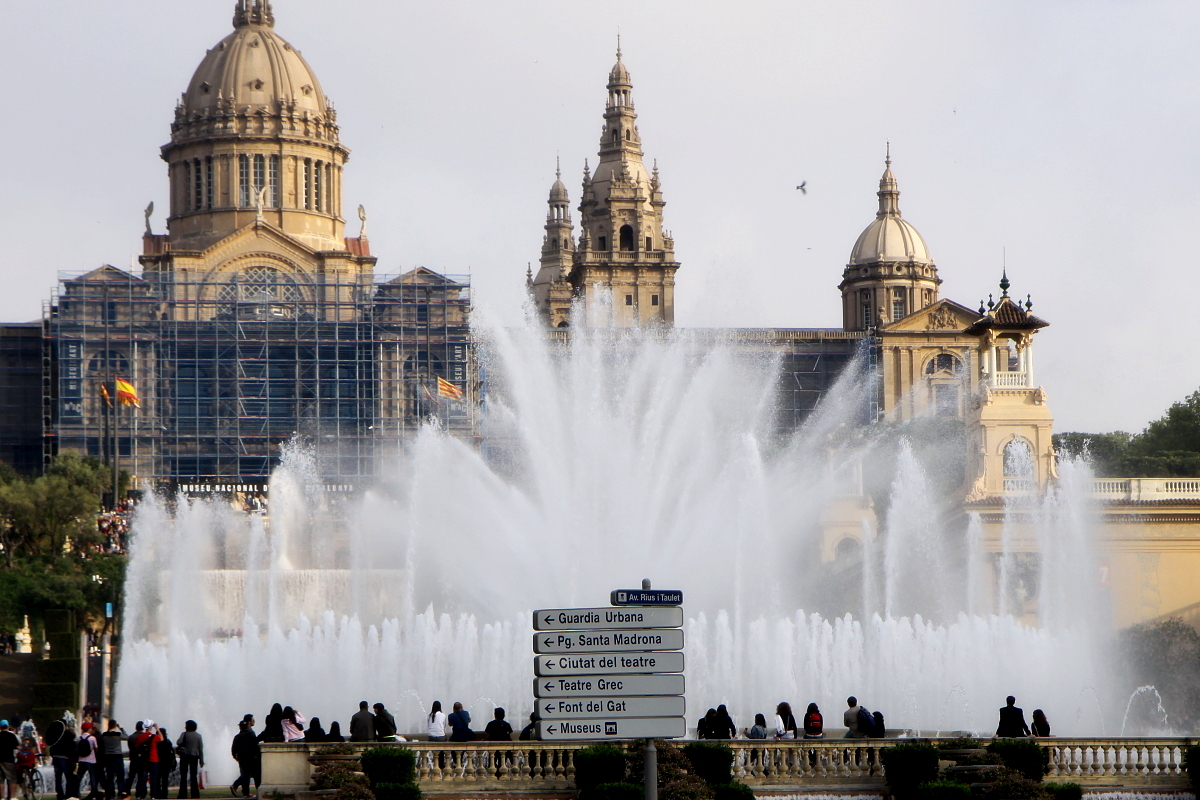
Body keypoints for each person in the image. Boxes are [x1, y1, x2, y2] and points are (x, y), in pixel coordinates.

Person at [230, 718, 260, 798]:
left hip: (241, 758)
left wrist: (235, 757)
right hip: (250, 758)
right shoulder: (251, 734)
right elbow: (255, 746)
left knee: (245, 774)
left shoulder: (237, 736)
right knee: (248, 775)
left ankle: (242, 790)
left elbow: (233, 749)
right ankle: (244, 791)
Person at [69, 721, 99, 800]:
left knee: (79, 777)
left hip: (81, 760)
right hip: (91, 761)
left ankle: (76, 793)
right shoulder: (92, 738)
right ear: (89, 729)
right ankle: (94, 793)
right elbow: (96, 749)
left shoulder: (79, 738)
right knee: (93, 777)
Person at [98, 720, 128, 800]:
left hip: (108, 757)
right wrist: (121, 728)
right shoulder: (118, 734)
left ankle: (110, 794)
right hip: (117, 756)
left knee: (110, 777)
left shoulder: (104, 735)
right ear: (115, 726)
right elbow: (127, 737)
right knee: (120, 776)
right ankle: (120, 793)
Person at [49, 721, 77, 800]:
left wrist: (53, 756)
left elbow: (51, 747)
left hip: (56, 758)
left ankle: (60, 794)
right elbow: (72, 750)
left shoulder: (57, 736)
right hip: (65, 759)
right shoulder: (69, 738)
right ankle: (68, 794)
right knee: (69, 777)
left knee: (58, 778)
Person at [175, 721, 204, 799]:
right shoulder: (198, 736)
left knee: (183, 776)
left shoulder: (184, 734)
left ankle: (183, 794)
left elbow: (178, 742)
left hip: (185, 756)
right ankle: (195, 794)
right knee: (193, 776)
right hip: (194, 757)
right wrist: (201, 761)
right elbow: (200, 749)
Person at [127, 722, 152, 800]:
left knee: (131, 777)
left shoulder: (131, 737)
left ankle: (126, 792)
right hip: (142, 760)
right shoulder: (145, 737)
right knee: (142, 778)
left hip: (133, 759)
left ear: (136, 727)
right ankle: (140, 794)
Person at [0, 720, 20, 800]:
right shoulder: (11, 735)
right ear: (8, 726)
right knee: (12, 779)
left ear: (0, 727)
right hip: (9, 759)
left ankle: (2, 797)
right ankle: (12, 796)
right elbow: (16, 746)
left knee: (0, 780)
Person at [155, 728, 176, 799]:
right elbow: (171, 753)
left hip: (158, 762)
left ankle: (158, 793)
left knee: (157, 779)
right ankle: (164, 794)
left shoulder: (156, 742)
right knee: (165, 779)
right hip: (166, 763)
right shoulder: (167, 742)